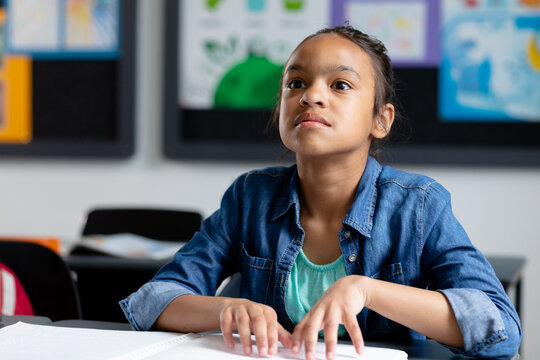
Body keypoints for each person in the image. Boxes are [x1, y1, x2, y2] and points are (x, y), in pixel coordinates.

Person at [120, 26, 521, 359]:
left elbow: (499, 328)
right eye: (296, 83)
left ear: (380, 120)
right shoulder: (250, 196)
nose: (311, 95)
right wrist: (226, 308)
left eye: (340, 84)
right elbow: (154, 299)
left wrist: (366, 290)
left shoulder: (418, 204)